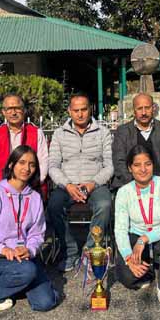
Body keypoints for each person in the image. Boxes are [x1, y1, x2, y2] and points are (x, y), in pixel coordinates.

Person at [0, 145, 58, 311]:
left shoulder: (35, 197)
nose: (27, 168)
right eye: (22, 162)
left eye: (32, 164)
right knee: (28, 271)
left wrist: (29, 249)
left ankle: (17, 283)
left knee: (46, 302)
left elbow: (37, 233)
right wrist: (2, 249)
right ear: (11, 164)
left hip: (24, 257)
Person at [47, 93, 114, 272]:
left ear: (90, 109)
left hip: (95, 184)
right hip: (67, 185)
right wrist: (67, 185)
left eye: (84, 109)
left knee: (105, 204)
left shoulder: (103, 132)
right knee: (54, 206)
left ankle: (91, 250)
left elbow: (109, 166)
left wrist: (92, 183)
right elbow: (53, 166)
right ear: (69, 111)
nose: (80, 114)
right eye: (76, 110)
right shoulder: (59, 134)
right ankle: (70, 251)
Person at [114, 145, 160, 303]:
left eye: (148, 164)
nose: (143, 169)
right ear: (130, 168)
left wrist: (145, 238)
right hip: (136, 236)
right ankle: (149, 272)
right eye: (137, 165)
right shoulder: (124, 192)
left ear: (153, 165)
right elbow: (120, 229)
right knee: (127, 276)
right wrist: (128, 258)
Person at [112, 93, 160, 189]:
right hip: (129, 185)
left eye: (147, 108)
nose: (144, 112)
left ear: (153, 108)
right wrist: (137, 184)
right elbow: (119, 162)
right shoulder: (123, 132)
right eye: (139, 108)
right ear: (134, 110)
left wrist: (157, 183)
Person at [0, 94, 49, 188]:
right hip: (1, 186)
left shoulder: (37, 133)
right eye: (9, 109)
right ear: (3, 112)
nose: (13, 113)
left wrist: (31, 185)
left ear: (24, 110)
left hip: (31, 186)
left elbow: (43, 163)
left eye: (17, 108)